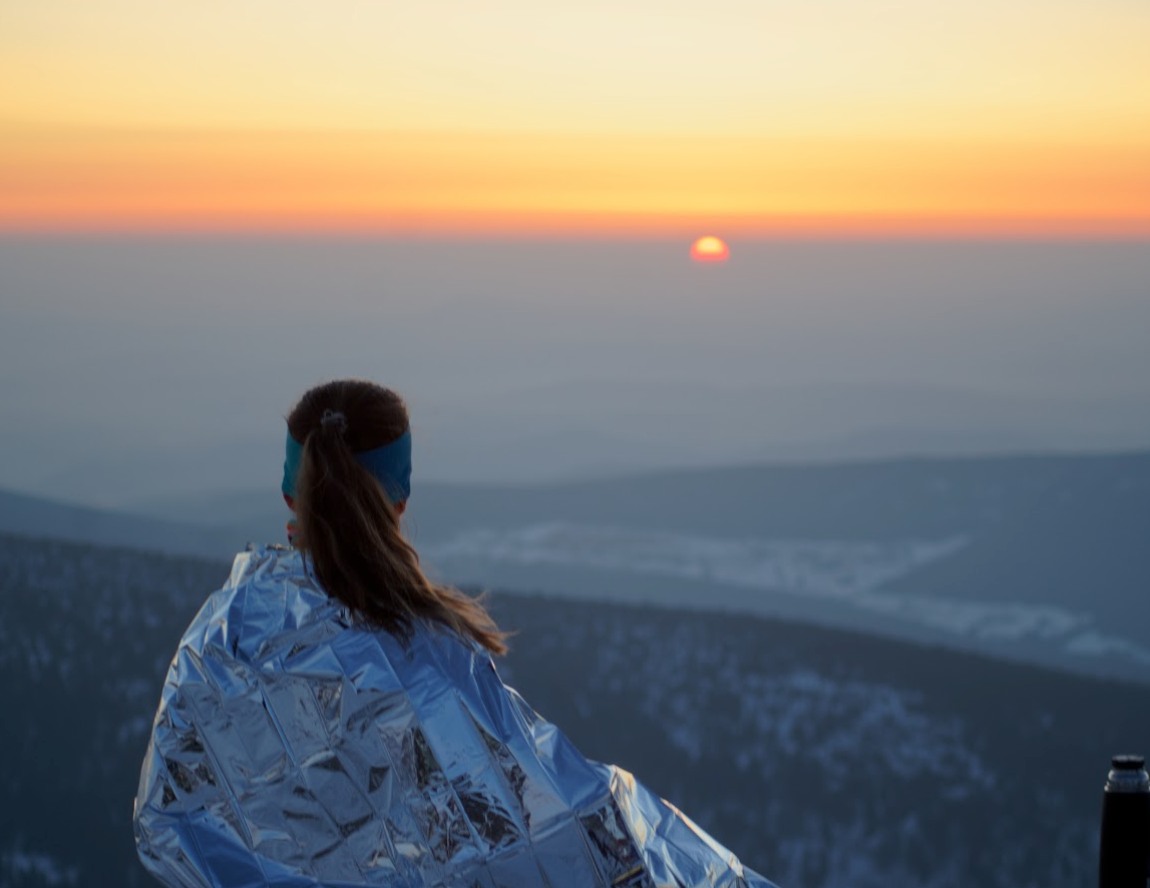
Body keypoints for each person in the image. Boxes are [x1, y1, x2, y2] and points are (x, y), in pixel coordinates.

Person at [133, 378, 779, 888]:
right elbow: (538, 825)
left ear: (286, 492)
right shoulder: (431, 651)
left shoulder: (218, 637)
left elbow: (166, 823)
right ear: (403, 497)